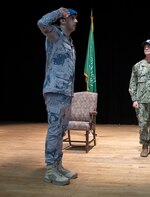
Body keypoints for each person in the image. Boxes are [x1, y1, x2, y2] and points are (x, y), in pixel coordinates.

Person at [37, 7, 79, 186]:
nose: (76, 21)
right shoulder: (55, 35)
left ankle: (58, 164)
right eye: (73, 18)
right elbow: (42, 23)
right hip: (55, 91)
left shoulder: (69, 41)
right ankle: (50, 170)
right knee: (54, 130)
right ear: (63, 20)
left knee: (61, 131)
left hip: (66, 93)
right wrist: (59, 11)